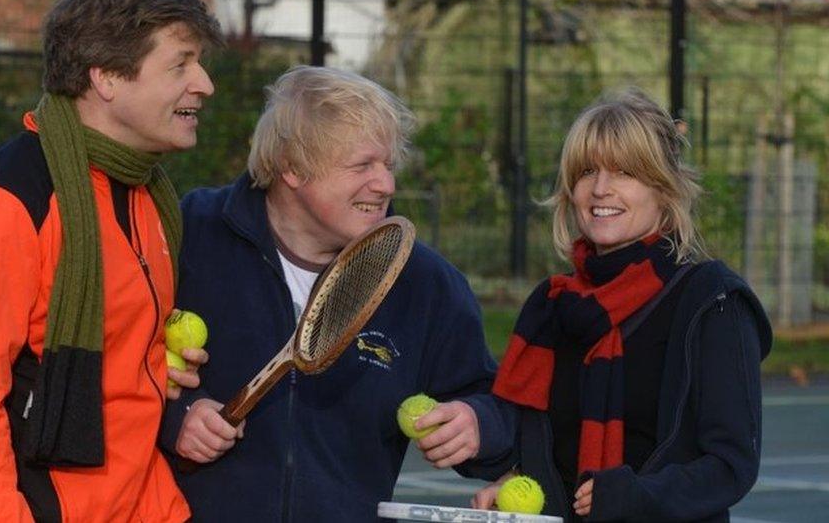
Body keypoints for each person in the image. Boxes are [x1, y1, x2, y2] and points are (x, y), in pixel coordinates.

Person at [0, 0, 222, 521]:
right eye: (180, 65)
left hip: (146, 503)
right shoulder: (1, 201)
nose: (204, 83)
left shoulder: (148, 193)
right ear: (106, 77)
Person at [158, 65, 515, 521]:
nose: (384, 183)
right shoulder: (190, 234)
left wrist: (476, 422)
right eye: (362, 165)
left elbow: (492, 401)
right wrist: (177, 418)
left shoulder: (427, 283)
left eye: (387, 165)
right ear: (291, 167)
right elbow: (113, 364)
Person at [471, 89, 771, 521]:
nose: (600, 189)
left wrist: (636, 495)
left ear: (664, 190)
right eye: (587, 171)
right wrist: (509, 481)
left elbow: (731, 466)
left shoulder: (712, 300)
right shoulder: (551, 306)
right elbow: (534, 447)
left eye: (625, 172)